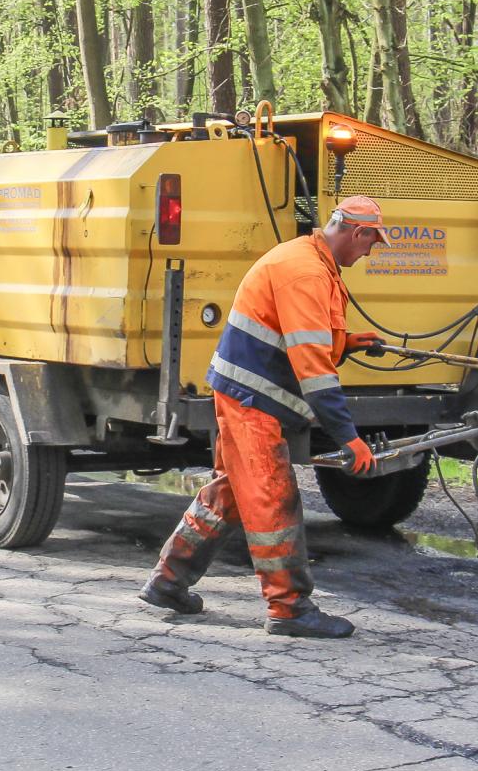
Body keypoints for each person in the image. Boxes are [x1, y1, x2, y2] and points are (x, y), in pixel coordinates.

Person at [140, 195, 392, 639]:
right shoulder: (305, 271)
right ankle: (289, 607)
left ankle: (168, 581)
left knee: (235, 493)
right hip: (251, 399)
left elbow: (298, 333)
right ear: (357, 232)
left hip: (248, 393)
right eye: (371, 242)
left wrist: (346, 342)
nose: (371, 252)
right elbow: (313, 367)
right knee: (272, 497)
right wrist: (348, 438)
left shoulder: (313, 262)